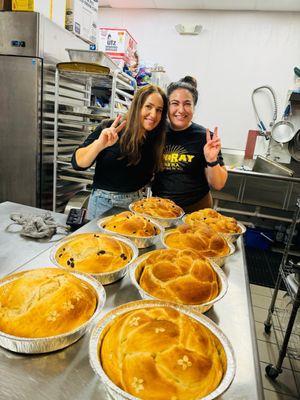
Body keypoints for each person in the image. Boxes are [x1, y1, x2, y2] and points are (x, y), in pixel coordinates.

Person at [71, 84, 168, 219]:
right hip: (104, 204)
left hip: (136, 204)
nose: (153, 114)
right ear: (137, 106)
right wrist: (99, 144)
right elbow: (78, 163)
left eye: (159, 110)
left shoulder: (156, 137)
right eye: (148, 107)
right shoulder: (111, 128)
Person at [151, 76, 228, 213]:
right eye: (175, 103)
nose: (181, 110)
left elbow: (219, 183)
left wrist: (211, 160)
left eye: (187, 104)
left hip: (196, 210)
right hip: (160, 210)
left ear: (194, 107)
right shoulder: (157, 132)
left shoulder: (206, 137)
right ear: (167, 106)